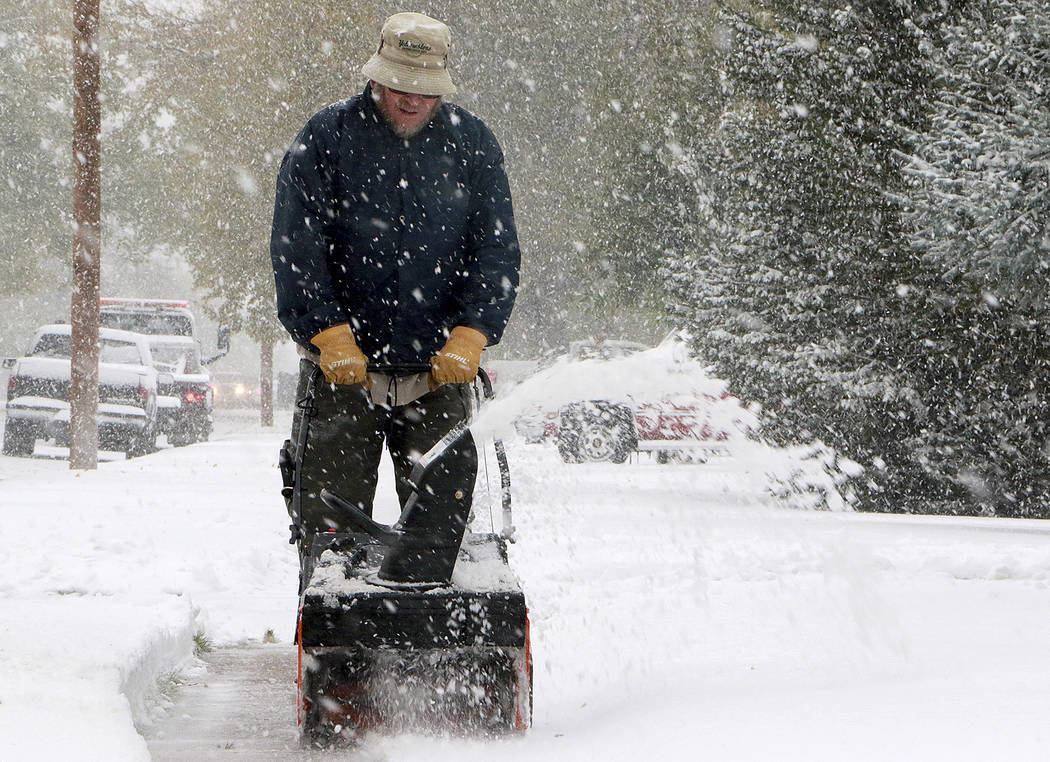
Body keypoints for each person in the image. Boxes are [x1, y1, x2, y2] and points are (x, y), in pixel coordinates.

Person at [270, 12, 520, 587]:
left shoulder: (472, 144)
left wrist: (473, 333)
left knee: (439, 546)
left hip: (439, 380)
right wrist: (328, 332)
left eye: (425, 90)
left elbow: (498, 252)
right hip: (340, 381)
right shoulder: (325, 140)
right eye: (400, 86)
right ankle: (337, 659)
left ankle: (434, 653)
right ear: (377, 78)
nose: (411, 101)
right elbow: (296, 248)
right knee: (333, 545)